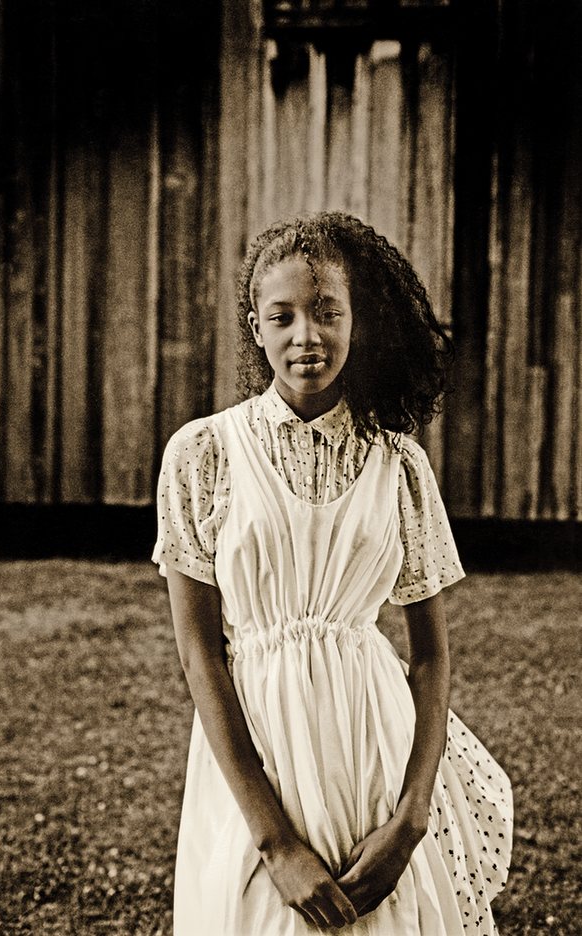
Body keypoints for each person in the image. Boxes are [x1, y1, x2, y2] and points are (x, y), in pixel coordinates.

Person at [152, 211, 513, 935]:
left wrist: (412, 821)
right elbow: (200, 652)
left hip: (373, 743)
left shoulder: (398, 462)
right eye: (281, 317)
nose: (306, 336)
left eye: (326, 313)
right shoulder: (203, 454)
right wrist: (275, 841)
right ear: (256, 328)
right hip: (259, 762)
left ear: (358, 322)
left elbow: (432, 653)